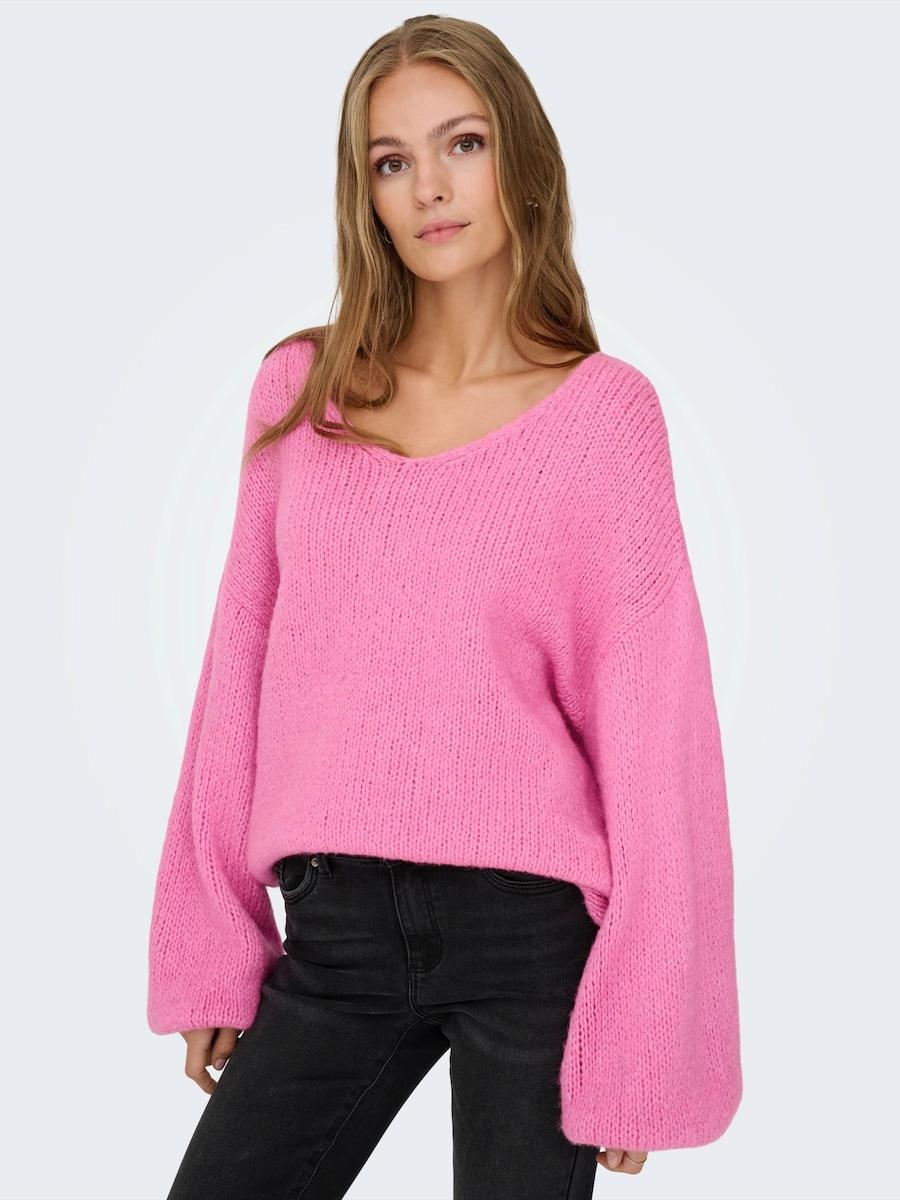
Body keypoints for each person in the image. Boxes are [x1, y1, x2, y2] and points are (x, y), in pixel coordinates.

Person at [147, 14, 742, 1199]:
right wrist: (216, 942)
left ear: (519, 154)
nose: (429, 186)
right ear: (365, 192)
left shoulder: (605, 418)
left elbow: (655, 733)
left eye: (462, 144)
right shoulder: (301, 395)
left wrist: (646, 1024)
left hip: (534, 941)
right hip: (337, 928)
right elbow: (237, 673)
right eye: (392, 159)